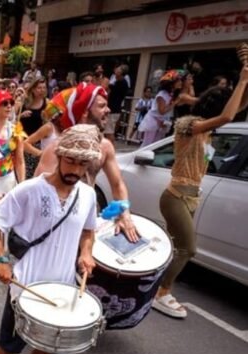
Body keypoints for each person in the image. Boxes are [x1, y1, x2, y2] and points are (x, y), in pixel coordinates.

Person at [0, 124, 100, 354]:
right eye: (71, 161)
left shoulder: (87, 195)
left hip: (61, 289)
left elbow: (88, 230)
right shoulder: (29, 190)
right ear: (59, 156)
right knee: (7, 349)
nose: (75, 169)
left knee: (45, 348)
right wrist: (2, 259)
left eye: (82, 164)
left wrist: (86, 253)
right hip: (24, 288)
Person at [153, 66, 248, 318]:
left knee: (173, 246)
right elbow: (227, 117)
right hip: (175, 196)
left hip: (191, 197)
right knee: (187, 249)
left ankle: (152, 285)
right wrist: (242, 81)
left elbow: (234, 111)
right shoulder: (187, 124)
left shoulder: (205, 131)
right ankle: (161, 293)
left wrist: (245, 86)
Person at [35, 83, 139, 242]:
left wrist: (125, 214)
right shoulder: (57, 148)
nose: (108, 110)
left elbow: (117, 184)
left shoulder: (105, 146)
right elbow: (39, 191)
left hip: (86, 218)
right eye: (102, 106)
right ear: (84, 113)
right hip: (55, 225)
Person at [137, 70, 183, 147]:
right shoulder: (162, 95)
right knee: (148, 144)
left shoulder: (170, 94)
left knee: (156, 145)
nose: (180, 82)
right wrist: (174, 103)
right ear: (172, 83)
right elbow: (162, 111)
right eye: (178, 80)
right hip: (154, 121)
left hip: (162, 122)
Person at [20, 78, 48, 178]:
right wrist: (20, 116)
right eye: (39, 88)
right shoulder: (25, 103)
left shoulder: (47, 104)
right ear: (33, 89)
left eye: (44, 88)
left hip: (41, 143)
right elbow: (14, 121)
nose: (42, 90)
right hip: (25, 142)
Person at [104, 66, 130, 142]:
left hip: (113, 110)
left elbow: (110, 89)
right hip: (114, 109)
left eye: (118, 69)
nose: (115, 70)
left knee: (109, 132)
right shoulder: (118, 82)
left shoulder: (121, 83)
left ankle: (111, 150)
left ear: (121, 73)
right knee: (107, 131)